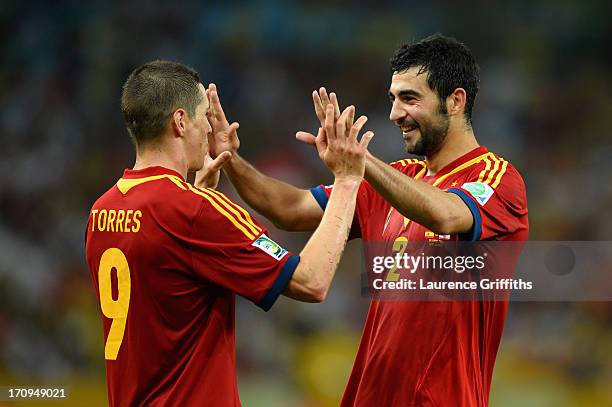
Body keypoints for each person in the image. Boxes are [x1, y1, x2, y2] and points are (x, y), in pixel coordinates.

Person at [216, 34, 529, 406]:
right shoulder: (399, 177)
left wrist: (359, 164)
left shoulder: (496, 179)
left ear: (455, 101)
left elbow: (446, 214)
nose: (396, 113)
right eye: (393, 99)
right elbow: (291, 208)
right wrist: (231, 160)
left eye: (410, 98)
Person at [84, 60, 373, 406]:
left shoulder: (102, 209)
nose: (209, 127)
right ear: (180, 122)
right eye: (205, 115)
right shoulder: (193, 211)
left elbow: (165, 294)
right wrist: (346, 180)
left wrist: (196, 195)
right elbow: (312, 282)